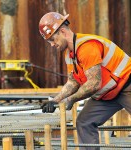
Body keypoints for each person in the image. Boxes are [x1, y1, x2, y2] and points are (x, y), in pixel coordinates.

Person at [38, 12, 131, 150]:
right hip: (108, 94)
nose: (52, 45)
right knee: (84, 122)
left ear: (62, 31)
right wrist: (55, 100)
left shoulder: (87, 47)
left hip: (127, 85)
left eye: (52, 39)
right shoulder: (69, 54)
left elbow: (94, 83)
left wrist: (71, 99)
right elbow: (73, 82)